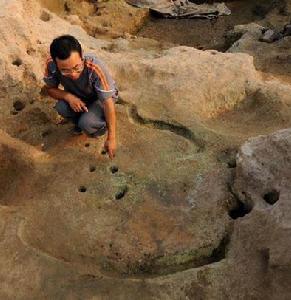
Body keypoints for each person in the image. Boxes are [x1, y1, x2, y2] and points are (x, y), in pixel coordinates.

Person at [43, 34, 118, 159]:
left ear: (82, 55)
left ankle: (98, 127)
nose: (73, 74)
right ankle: (79, 123)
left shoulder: (95, 67)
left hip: (100, 98)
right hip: (77, 95)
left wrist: (112, 138)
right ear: (55, 63)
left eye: (77, 67)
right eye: (65, 70)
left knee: (87, 123)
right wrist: (68, 96)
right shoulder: (50, 65)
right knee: (61, 107)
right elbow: (50, 89)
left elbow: (108, 102)